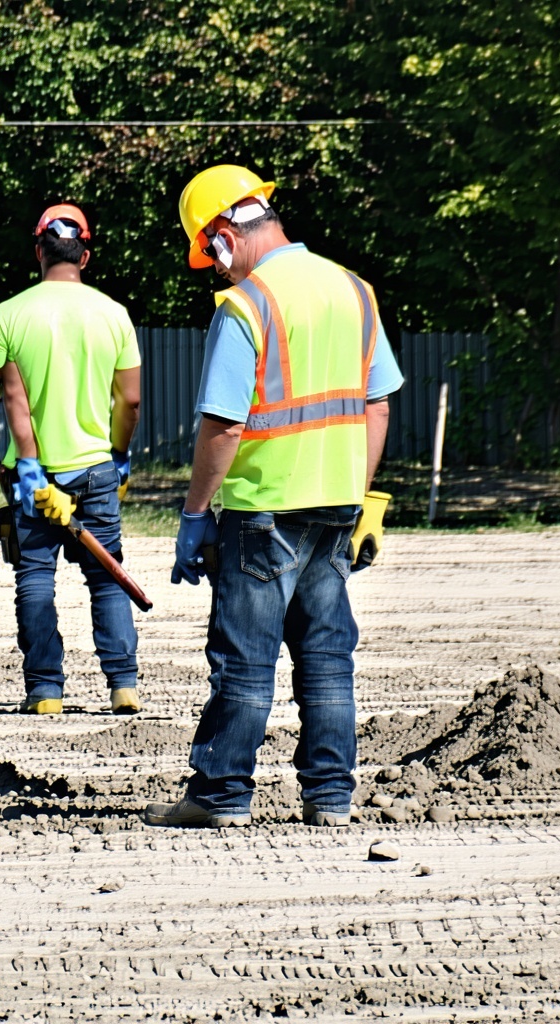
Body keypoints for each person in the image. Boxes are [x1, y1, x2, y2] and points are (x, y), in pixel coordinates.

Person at [144, 165, 404, 829]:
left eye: (211, 257)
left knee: (245, 660)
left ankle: (221, 795)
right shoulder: (355, 290)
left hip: (264, 511)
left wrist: (195, 515)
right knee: (326, 658)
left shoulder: (246, 305)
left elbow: (225, 424)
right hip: (336, 508)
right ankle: (330, 798)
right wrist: (361, 494)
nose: (215, 272)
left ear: (224, 236)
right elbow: (377, 406)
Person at [0, 203, 143, 716]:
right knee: (106, 575)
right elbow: (130, 401)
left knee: (36, 578)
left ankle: (46, 691)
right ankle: (122, 684)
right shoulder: (114, 313)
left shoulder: (8, 314)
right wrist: (118, 455)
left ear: (38, 253)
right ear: (84, 255)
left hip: (31, 475)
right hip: (95, 468)